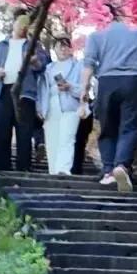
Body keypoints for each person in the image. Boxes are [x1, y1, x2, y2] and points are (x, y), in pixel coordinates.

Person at [81, 7, 137, 192]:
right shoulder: (135, 31)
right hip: (132, 81)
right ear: (119, 14)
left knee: (108, 128)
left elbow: (89, 64)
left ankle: (108, 172)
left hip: (107, 82)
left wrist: (84, 89)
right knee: (129, 127)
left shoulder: (96, 35)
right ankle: (121, 166)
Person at [0, 8, 49, 173]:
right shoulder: (1, 46)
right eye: (20, 23)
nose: (23, 27)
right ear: (13, 23)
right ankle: (3, 170)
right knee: (2, 132)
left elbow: (43, 65)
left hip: (25, 93)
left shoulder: (34, 45)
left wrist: (34, 61)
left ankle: (24, 169)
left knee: (24, 133)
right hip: (4, 91)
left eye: (26, 24)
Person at [37, 33, 86, 176]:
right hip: (51, 105)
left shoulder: (78, 66)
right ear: (54, 49)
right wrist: (39, 106)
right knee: (52, 140)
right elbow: (42, 89)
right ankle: (53, 171)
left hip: (70, 105)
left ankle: (63, 170)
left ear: (71, 49)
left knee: (67, 138)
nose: (63, 49)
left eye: (66, 46)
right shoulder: (48, 68)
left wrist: (69, 86)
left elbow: (84, 89)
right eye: (60, 46)